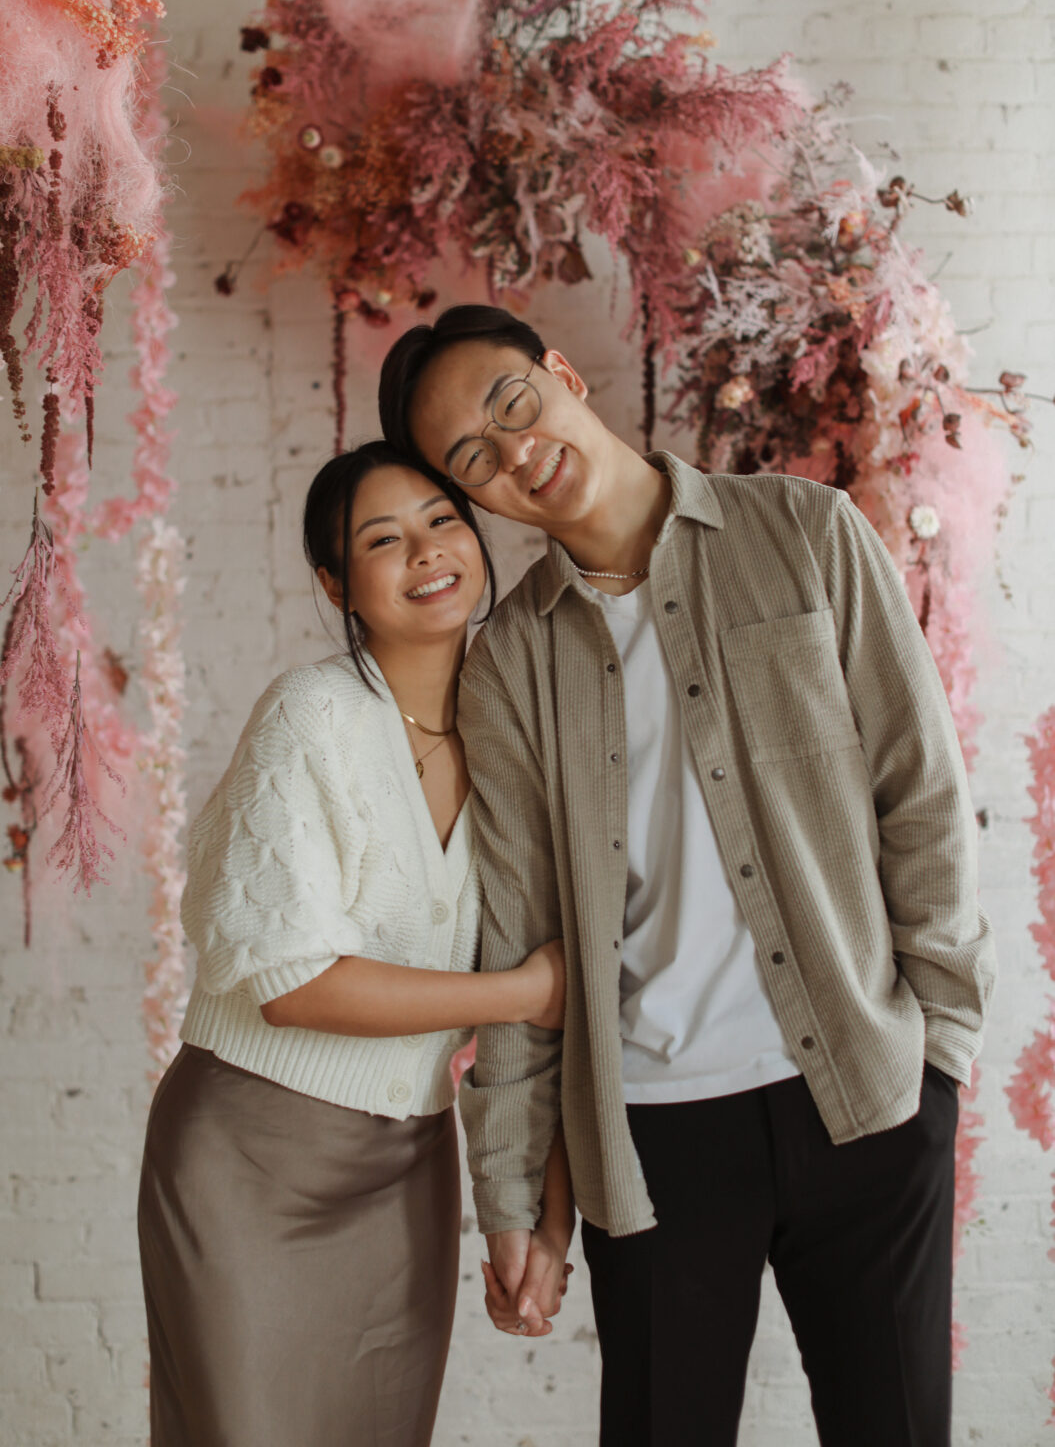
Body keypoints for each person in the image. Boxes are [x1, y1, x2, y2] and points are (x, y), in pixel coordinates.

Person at [377, 305, 996, 1447]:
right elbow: (520, 938)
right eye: (471, 457)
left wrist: (938, 1049)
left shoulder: (803, 530)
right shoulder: (509, 663)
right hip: (654, 1136)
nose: (513, 453)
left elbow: (920, 791)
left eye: (512, 405)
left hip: (862, 1095)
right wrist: (512, 1194)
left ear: (557, 374)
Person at [137, 440, 566, 1447]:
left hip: (406, 1162)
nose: (425, 551)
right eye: (383, 539)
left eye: (442, 521)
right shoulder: (310, 716)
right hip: (248, 1155)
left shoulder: (517, 731)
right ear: (338, 583)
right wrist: (521, 990)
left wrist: (542, 1215)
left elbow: (557, 1004)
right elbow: (295, 986)